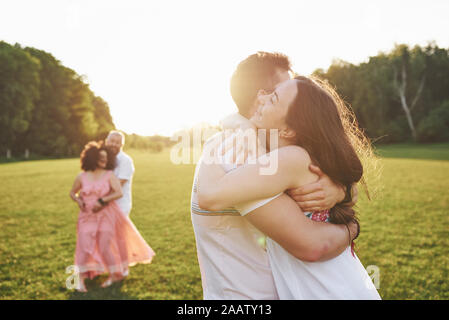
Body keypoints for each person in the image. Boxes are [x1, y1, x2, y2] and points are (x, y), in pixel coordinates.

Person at [190, 52, 358, 300]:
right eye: (281, 89)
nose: (304, 95)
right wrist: (352, 228)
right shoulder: (236, 150)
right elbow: (311, 244)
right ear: (259, 96)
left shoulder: (280, 152)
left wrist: (343, 189)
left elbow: (337, 175)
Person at [69, 141, 155, 292]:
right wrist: (78, 200)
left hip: (106, 214)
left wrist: (102, 201)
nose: (104, 161)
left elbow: (118, 192)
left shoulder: (109, 175)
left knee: (105, 246)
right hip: (86, 216)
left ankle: (115, 274)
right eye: (101, 158)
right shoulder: (81, 176)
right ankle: (80, 279)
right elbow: (72, 192)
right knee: (83, 245)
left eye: (105, 158)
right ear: (92, 158)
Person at [105, 131, 135, 216]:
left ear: (122, 145)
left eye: (118, 142)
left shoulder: (126, 161)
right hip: (105, 206)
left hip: (120, 206)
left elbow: (118, 184)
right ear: (106, 141)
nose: (114, 144)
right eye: (112, 141)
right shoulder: (103, 159)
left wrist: (100, 199)